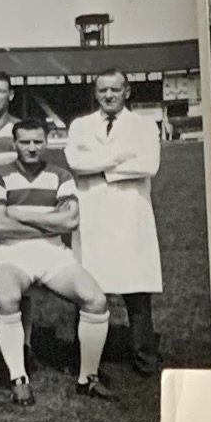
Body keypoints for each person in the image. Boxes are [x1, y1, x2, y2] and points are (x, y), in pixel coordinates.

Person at [62, 74, 162, 374]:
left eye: (115, 90)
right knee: (89, 287)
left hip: (131, 214)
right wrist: (120, 158)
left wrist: (101, 167)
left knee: (137, 289)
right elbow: (75, 162)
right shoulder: (81, 125)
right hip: (93, 214)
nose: (108, 95)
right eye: (103, 90)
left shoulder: (144, 125)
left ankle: (144, 356)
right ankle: (87, 355)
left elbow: (148, 165)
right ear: (96, 92)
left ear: (127, 91)